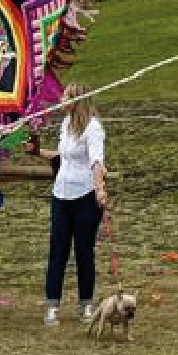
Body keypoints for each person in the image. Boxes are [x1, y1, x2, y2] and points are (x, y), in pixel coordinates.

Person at [37, 93, 110, 326]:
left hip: (85, 195)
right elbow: (62, 157)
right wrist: (37, 152)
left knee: (83, 251)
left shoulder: (93, 128)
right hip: (61, 194)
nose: (60, 100)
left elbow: (96, 161)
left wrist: (99, 189)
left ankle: (86, 304)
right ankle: (52, 305)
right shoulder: (67, 124)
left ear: (78, 100)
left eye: (66, 97)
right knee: (57, 250)